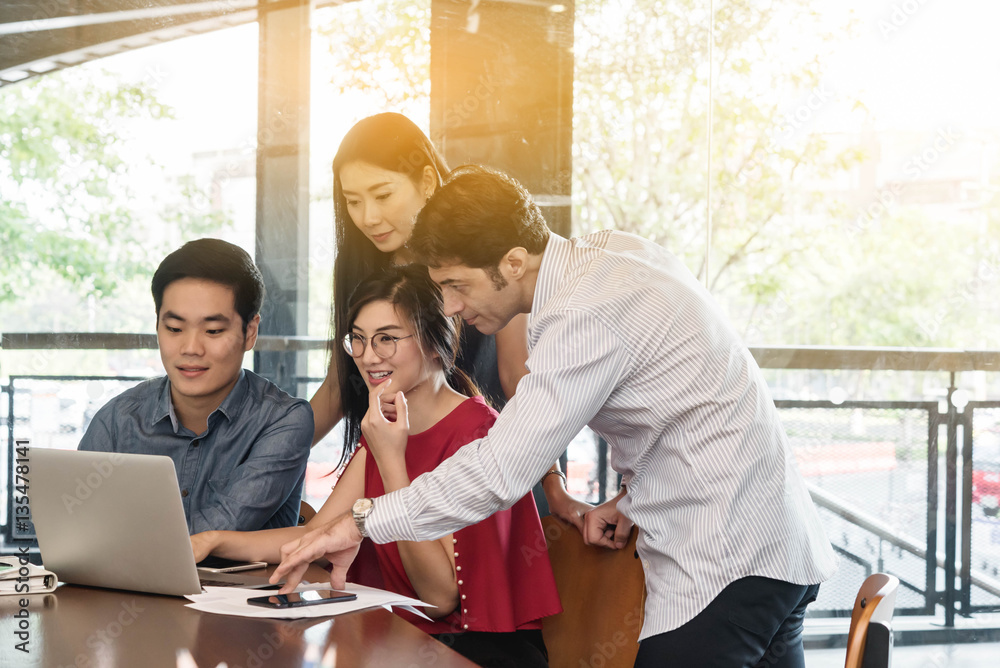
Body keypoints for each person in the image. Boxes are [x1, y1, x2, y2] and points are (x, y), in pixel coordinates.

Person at [273, 166, 839, 668]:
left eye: (456, 285)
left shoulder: (582, 316)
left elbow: (498, 472)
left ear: (513, 262)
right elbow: (690, 396)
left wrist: (362, 521)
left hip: (727, 557)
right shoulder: (613, 254)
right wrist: (635, 495)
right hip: (775, 543)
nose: (449, 307)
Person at [193, 266, 561, 667]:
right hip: (402, 642)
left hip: (475, 652)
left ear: (436, 342)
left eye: (387, 339)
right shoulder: (384, 429)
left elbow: (438, 599)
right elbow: (316, 535)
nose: (368, 357)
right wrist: (214, 540)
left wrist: (390, 459)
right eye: (360, 340)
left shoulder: (480, 433)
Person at [307, 112, 587, 524]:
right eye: (353, 201)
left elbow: (518, 378)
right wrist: (267, 455)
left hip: (480, 461)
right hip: (397, 455)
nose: (366, 217)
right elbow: (338, 385)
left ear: (425, 181)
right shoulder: (362, 268)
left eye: (382, 195)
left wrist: (554, 483)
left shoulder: (481, 249)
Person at [79, 238, 312, 533]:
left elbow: (224, 528)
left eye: (213, 331)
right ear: (157, 326)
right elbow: (81, 529)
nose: (190, 348)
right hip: (122, 581)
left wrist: (124, 537)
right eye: (174, 328)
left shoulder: (283, 420)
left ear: (250, 332)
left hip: (246, 582)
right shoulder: (117, 419)